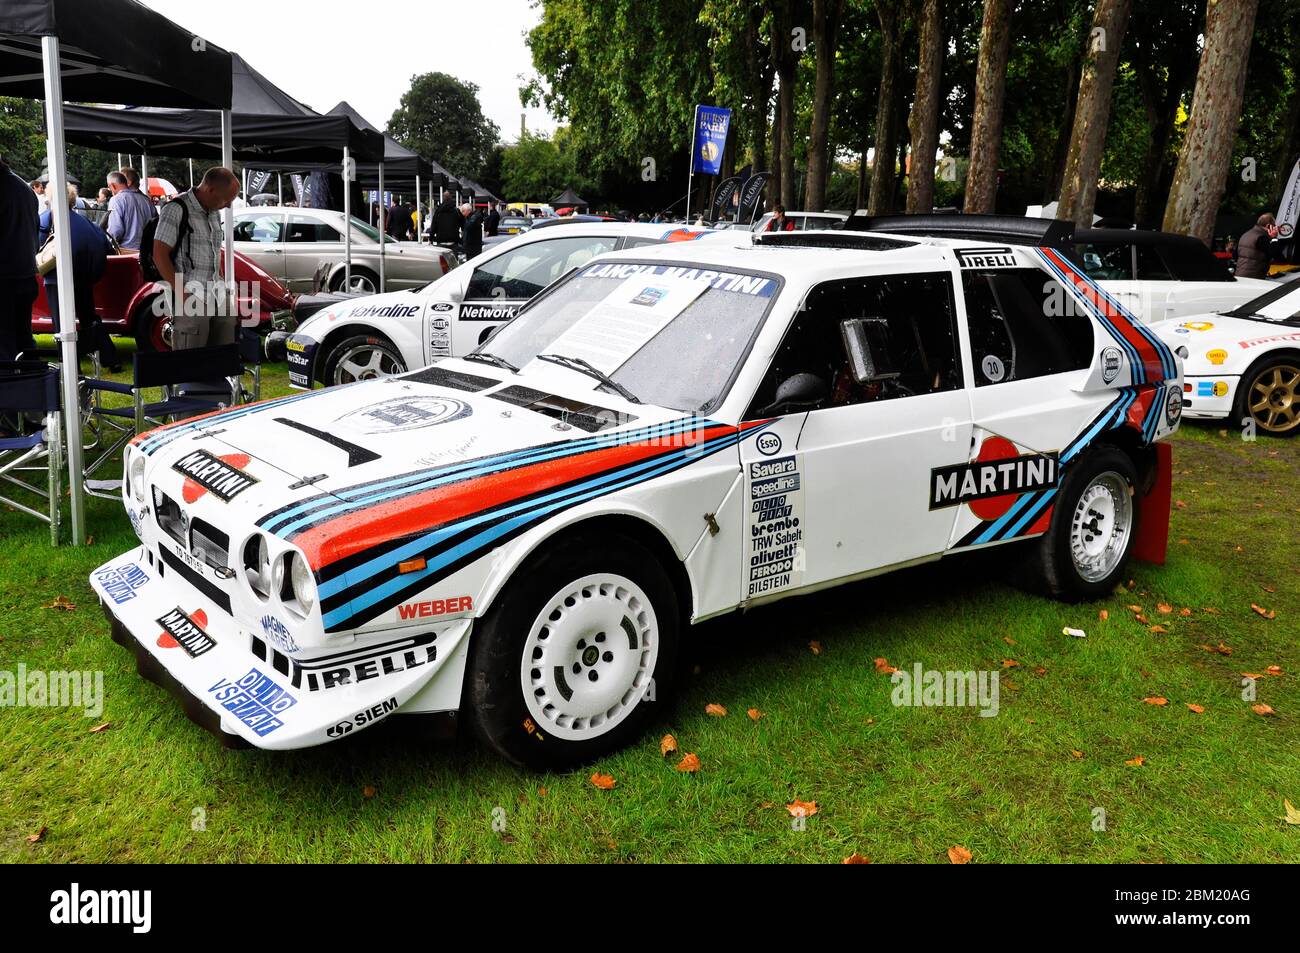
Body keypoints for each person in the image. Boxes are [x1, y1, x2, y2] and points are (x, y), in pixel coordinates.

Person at [152, 166, 240, 350]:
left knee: (222, 354)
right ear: (210, 189)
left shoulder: (214, 212)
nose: (229, 205)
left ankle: (220, 379)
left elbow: (214, 252)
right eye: (227, 200)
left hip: (217, 293)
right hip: (191, 293)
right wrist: (183, 294)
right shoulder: (176, 209)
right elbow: (159, 255)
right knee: (190, 363)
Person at [39, 183, 120, 370]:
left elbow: (37, 245)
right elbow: (107, 248)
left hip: (56, 278)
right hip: (85, 278)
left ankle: (70, 365)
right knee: (89, 318)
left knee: (61, 325)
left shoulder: (46, 220)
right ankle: (110, 358)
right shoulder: (87, 223)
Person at [1, 157, 40, 363]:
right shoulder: (24, 188)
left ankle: (11, 389)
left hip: (5, 278)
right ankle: (35, 386)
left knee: (5, 342)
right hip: (25, 274)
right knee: (24, 338)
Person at [106, 169, 155, 250]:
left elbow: (115, 231)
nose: (110, 190)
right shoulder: (146, 200)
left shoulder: (116, 200)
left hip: (127, 252)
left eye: (109, 187)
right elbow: (155, 225)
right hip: (147, 251)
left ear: (112, 186)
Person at [1235, 212, 1281, 279]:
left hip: (1239, 275)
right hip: (1254, 277)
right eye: (1274, 225)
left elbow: (1235, 255)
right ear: (1268, 226)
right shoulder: (1262, 237)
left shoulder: (1245, 234)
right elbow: (1276, 254)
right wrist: (1274, 238)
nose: (1275, 228)